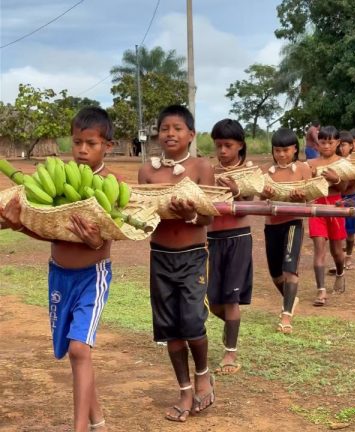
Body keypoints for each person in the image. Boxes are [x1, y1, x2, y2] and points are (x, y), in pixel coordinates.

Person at [0, 107, 116, 431]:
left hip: (92, 277)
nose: (81, 149)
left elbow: (107, 238)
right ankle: (99, 421)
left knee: (80, 348)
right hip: (58, 275)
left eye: (90, 143)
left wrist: (94, 242)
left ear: (108, 145)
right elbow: (48, 232)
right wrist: (19, 226)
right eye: (77, 141)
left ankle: (79, 428)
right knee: (71, 349)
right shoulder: (59, 180)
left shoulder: (110, 184)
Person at [137, 105, 216, 422]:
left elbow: (210, 215)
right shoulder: (147, 172)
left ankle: (203, 374)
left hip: (193, 255)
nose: (170, 133)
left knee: (193, 324)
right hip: (160, 256)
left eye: (177, 128)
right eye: (164, 127)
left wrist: (191, 215)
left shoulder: (201, 167)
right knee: (170, 329)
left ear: (191, 135)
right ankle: (184, 391)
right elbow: (142, 217)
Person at [207, 119, 255, 374]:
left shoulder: (247, 172)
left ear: (240, 146)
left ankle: (230, 354)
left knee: (231, 298)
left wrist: (237, 190)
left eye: (228, 145)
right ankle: (233, 328)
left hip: (238, 238)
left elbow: (250, 202)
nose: (223, 151)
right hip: (211, 239)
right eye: (218, 146)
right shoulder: (209, 172)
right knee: (212, 300)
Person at [260, 128, 313, 333]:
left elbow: (311, 197)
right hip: (271, 225)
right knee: (275, 274)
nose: (281, 154)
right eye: (277, 150)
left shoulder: (302, 169)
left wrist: (303, 197)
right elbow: (260, 199)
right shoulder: (266, 171)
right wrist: (265, 193)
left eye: (286, 150)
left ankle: (286, 316)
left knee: (290, 268)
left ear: (295, 149)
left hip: (293, 222)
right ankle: (291, 299)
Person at [306, 126, 348, 306]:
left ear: (337, 142)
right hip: (316, 207)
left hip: (335, 206)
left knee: (337, 252)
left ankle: (340, 273)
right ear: (317, 144)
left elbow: (344, 188)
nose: (326, 146)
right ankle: (321, 290)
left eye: (330, 142)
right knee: (319, 249)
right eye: (323, 142)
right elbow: (305, 186)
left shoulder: (342, 163)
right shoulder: (311, 164)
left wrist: (335, 179)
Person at [337, 131, 355, 270]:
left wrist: (350, 188)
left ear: (351, 146)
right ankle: (339, 258)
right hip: (337, 198)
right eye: (339, 145)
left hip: (352, 197)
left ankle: (348, 257)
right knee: (337, 230)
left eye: (344, 145)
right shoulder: (334, 161)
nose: (341, 148)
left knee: (351, 231)